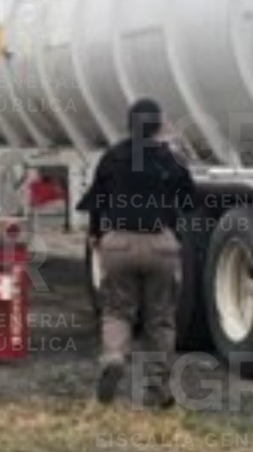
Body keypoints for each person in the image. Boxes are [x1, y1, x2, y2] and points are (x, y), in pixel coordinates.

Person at [78, 99, 195, 409]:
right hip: (160, 244)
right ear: (158, 125)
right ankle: (158, 389)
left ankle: (115, 357)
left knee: (117, 310)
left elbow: (96, 201)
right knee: (161, 319)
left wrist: (96, 234)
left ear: (129, 124)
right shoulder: (170, 159)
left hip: (118, 243)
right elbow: (189, 200)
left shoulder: (113, 156)